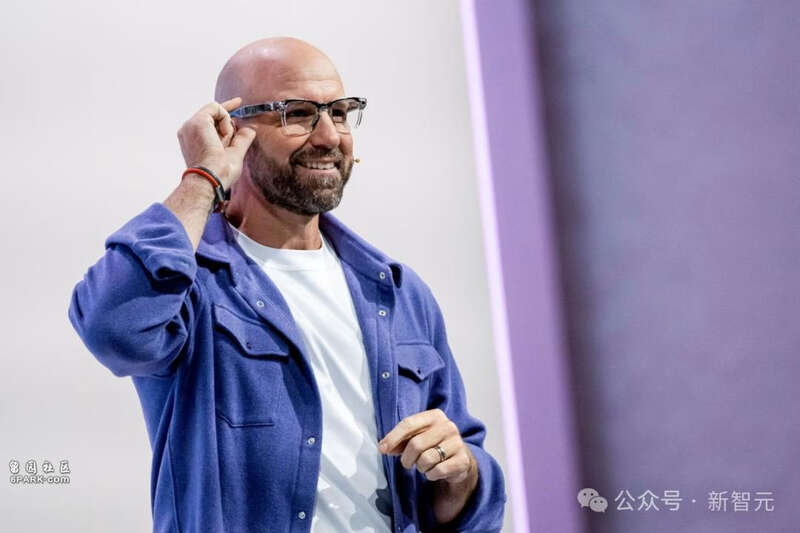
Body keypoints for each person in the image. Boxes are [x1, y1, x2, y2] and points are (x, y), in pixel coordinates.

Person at [68, 37, 506, 532]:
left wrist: (461, 475)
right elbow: (111, 328)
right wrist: (202, 177)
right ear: (232, 131)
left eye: (339, 113)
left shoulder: (397, 292)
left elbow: (466, 493)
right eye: (297, 114)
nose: (329, 136)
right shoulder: (190, 284)